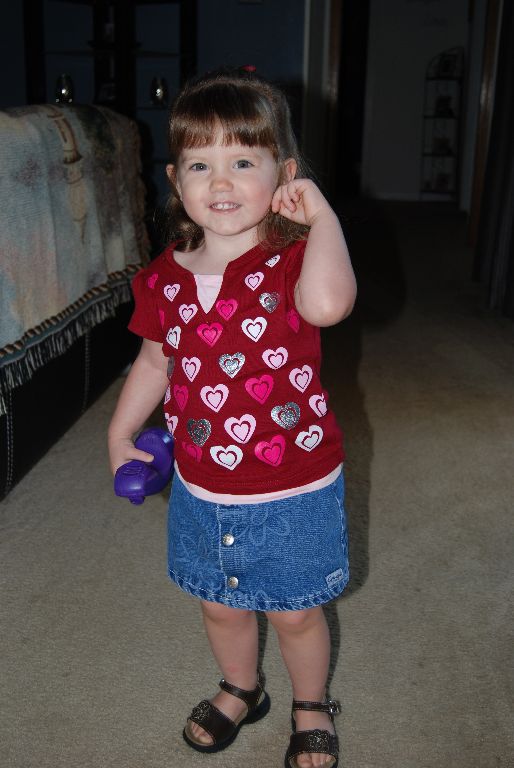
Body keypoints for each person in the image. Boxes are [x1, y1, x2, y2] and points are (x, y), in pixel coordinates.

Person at [108, 68, 357, 768]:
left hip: (293, 485)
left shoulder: (294, 261)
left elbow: (329, 306)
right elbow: (155, 360)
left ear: (285, 175)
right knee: (219, 602)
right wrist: (119, 432)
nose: (220, 182)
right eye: (200, 165)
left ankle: (311, 704)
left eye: (243, 162)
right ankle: (242, 687)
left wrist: (323, 218)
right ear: (175, 179)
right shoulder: (163, 277)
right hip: (201, 484)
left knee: (295, 611)